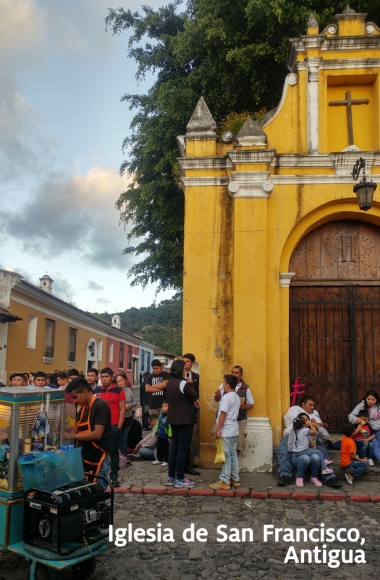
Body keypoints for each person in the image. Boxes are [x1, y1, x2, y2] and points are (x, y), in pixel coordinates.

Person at [277, 395, 341, 488]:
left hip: (311, 436)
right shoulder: (295, 409)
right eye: (310, 405)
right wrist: (314, 424)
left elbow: (321, 428)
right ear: (303, 404)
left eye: (313, 405)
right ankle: (286, 474)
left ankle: (328, 476)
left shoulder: (315, 413)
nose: (312, 407)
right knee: (283, 446)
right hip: (293, 435)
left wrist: (317, 425)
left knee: (321, 445)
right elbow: (298, 423)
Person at [65, 378, 111, 491]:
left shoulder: (101, 405)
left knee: (98, 490)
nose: (74, 401)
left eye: (75, 397)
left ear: (85, 392)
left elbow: (97, 434)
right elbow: (78, 427)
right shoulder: (83, 408)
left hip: (100, 455)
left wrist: (72, 436)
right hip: (86, 455)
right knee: (87, 489)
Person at [165, 359, 198, 489]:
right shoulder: (183, 383)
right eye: (184, 369)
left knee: (174, 448)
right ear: (180, 370)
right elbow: (194, 396)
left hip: (173, 418)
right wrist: (190, 383)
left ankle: (171, 477)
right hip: (184, 419)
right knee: (182, 449)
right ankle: (180, 478)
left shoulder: (169, 383)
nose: (186, 371)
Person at [94, 368, 126, 487]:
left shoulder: (119, 391)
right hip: (99, 427)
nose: (104, 379)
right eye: (102, 377)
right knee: (99, 451)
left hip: (113, 426)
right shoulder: (96, 391)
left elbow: (122, 409)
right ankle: (100, 475)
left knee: (113, 452)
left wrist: (119, 426)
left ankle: (114, 476)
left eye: (106, 377)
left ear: (112, 377)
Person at [210, 374, 241, 490]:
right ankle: (235, 478)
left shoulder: (227, 397)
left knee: (227, 456)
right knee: (233, 455)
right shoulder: (236, 397)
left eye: (224, 383)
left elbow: (223, 414)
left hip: (227, 429)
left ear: (228, 384)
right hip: (233, 428)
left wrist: (218, 429)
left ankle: (224, 480)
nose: (222, 385)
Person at [214, 365, 254, 456]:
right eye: (232, 372)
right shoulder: (224, 384)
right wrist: (217, 395)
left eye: (236, 373)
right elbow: (217, 399)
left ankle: (229, 465)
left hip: (239, 419)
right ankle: (227, 463)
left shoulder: (245, 388)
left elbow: (251, 405)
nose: (234, 374)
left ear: (241, 375)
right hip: (225, 420)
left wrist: (243, 406)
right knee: (218, 436)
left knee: (238, 445)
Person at [288, 413, 333, 487]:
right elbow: (290, 448)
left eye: (307, 420)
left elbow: (326, 437)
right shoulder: (294, 432)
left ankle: (314, 477)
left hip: (311, 455)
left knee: (316, 456)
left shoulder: (311, 431)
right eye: (304, 420)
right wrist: (302, 450)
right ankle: (299, 477)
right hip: (298, 458)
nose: (306, 422)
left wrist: (316, 426)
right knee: (306, 457)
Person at [182, 353, 201, 475]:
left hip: (191, 411)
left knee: (188, 440)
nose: (185, 364)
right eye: (183, 361)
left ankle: (188, 464)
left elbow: (196, 395)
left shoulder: (196, 377)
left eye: (187, 362)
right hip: (180, 411)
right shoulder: (179, 376)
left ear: (192, 363)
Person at [349, 390, 380, 460]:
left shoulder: (378, 406)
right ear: (365, 398)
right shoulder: (361, 405)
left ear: (376, 400)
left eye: (373, 399)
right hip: (368, 431)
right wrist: (356, 419)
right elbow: (351, 415)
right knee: (375, 444)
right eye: (368, 399)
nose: (370, 401)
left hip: (378, 429)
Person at [115, 373, 138, 461]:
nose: (122, 382)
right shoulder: (115, 391)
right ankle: (115, 456)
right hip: (117, 418)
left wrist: (129, 405)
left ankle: (124, 457)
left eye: (123, 380)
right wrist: (122, 406)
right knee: (116, 438)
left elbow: (135, 402)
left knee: (124, 439)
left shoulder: (128, 390)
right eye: (119, 381)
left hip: (128, 417)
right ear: (116, 383)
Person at [152, 401, 172, 466]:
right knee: (159, 448)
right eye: (163, 406)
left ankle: (166, 460)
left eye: (165, 406)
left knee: (165, 449)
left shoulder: (169, 416)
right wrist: (156, 431)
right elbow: (158, 424)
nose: (163, 408)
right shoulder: (160, 415)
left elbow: (170, 427)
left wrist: (169, 436)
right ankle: (159, 459)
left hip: (165, 436)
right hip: (160, 434)